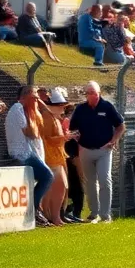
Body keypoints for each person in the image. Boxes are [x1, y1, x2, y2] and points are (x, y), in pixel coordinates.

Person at [68, 81, 125, 223]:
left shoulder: (107, 106)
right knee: (90, 182)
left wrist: (114, 140)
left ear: (99, 93)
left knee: (105, 179)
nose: (92, 95)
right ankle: (94, 213)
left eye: (95, 92)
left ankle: (105, 215)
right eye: (89, 93)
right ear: (86, 95)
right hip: (85, 149)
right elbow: (72, 127)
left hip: (104, 150)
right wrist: (75, 135)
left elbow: (120, 126)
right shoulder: (81, 109)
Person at [3, 85, 54, 226]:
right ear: (26, 97)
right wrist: (35, 113)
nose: (36, 101)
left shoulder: (21, 110)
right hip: (21, 154)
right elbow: (31, 133)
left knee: (45, 177)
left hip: (27, 152)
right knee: (47, 176)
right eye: (34, 98)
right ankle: (33, 209)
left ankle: (34, 208)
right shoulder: (18, 109)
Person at [40, 88, 77, 226]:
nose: (62, 108)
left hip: (57, 155)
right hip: (51, 156)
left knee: (59, 187)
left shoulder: (54, 117)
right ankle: (52, 216)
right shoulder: (48, 117)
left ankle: (55, 216)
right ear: (52, 106)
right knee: (59, 186)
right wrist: (64, 137)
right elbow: (48, 138)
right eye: (60, 105)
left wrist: (64, 137)